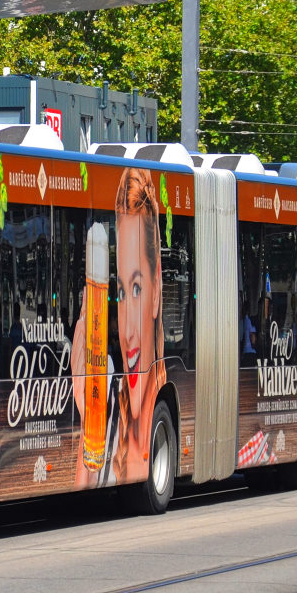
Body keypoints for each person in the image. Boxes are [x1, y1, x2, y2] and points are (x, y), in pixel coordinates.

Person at [81, 168, 165, 487]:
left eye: (137, 289)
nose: (126, 330)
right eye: (119, 292)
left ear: (157, 288)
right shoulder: (110, 407)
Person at [240, 299, 258, 366]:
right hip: (246, 351)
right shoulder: (243, 320)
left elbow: (252, 334)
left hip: (249, 351)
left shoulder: (248, 320)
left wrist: (253, 346)